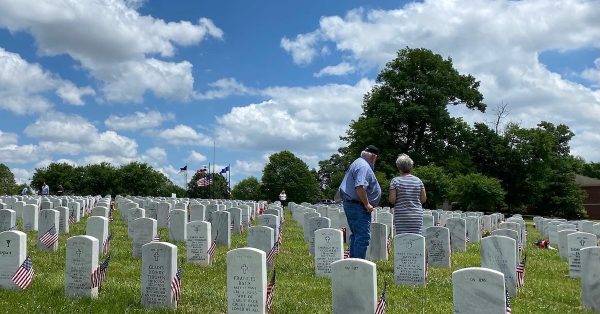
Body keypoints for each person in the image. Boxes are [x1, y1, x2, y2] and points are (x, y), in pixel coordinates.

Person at [338, 145, 381, 259]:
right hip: (358, 205)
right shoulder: (363, 166)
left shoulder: (358, 162)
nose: (376, 161)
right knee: (362, 236)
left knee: (357, 235)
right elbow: (360, 186)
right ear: (373, 156)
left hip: (353, 204)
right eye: (376, 158)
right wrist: (367, 204)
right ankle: (357, 266)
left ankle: (353, 263)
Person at [388, 154, 427, 235]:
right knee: (416, 239)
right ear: (411, 166)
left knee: (402, 241)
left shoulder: (395, 181)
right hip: (416, 215)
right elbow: (423, 199)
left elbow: (392, 200)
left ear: (398, 167)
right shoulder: (418, 181)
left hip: (401, 215)